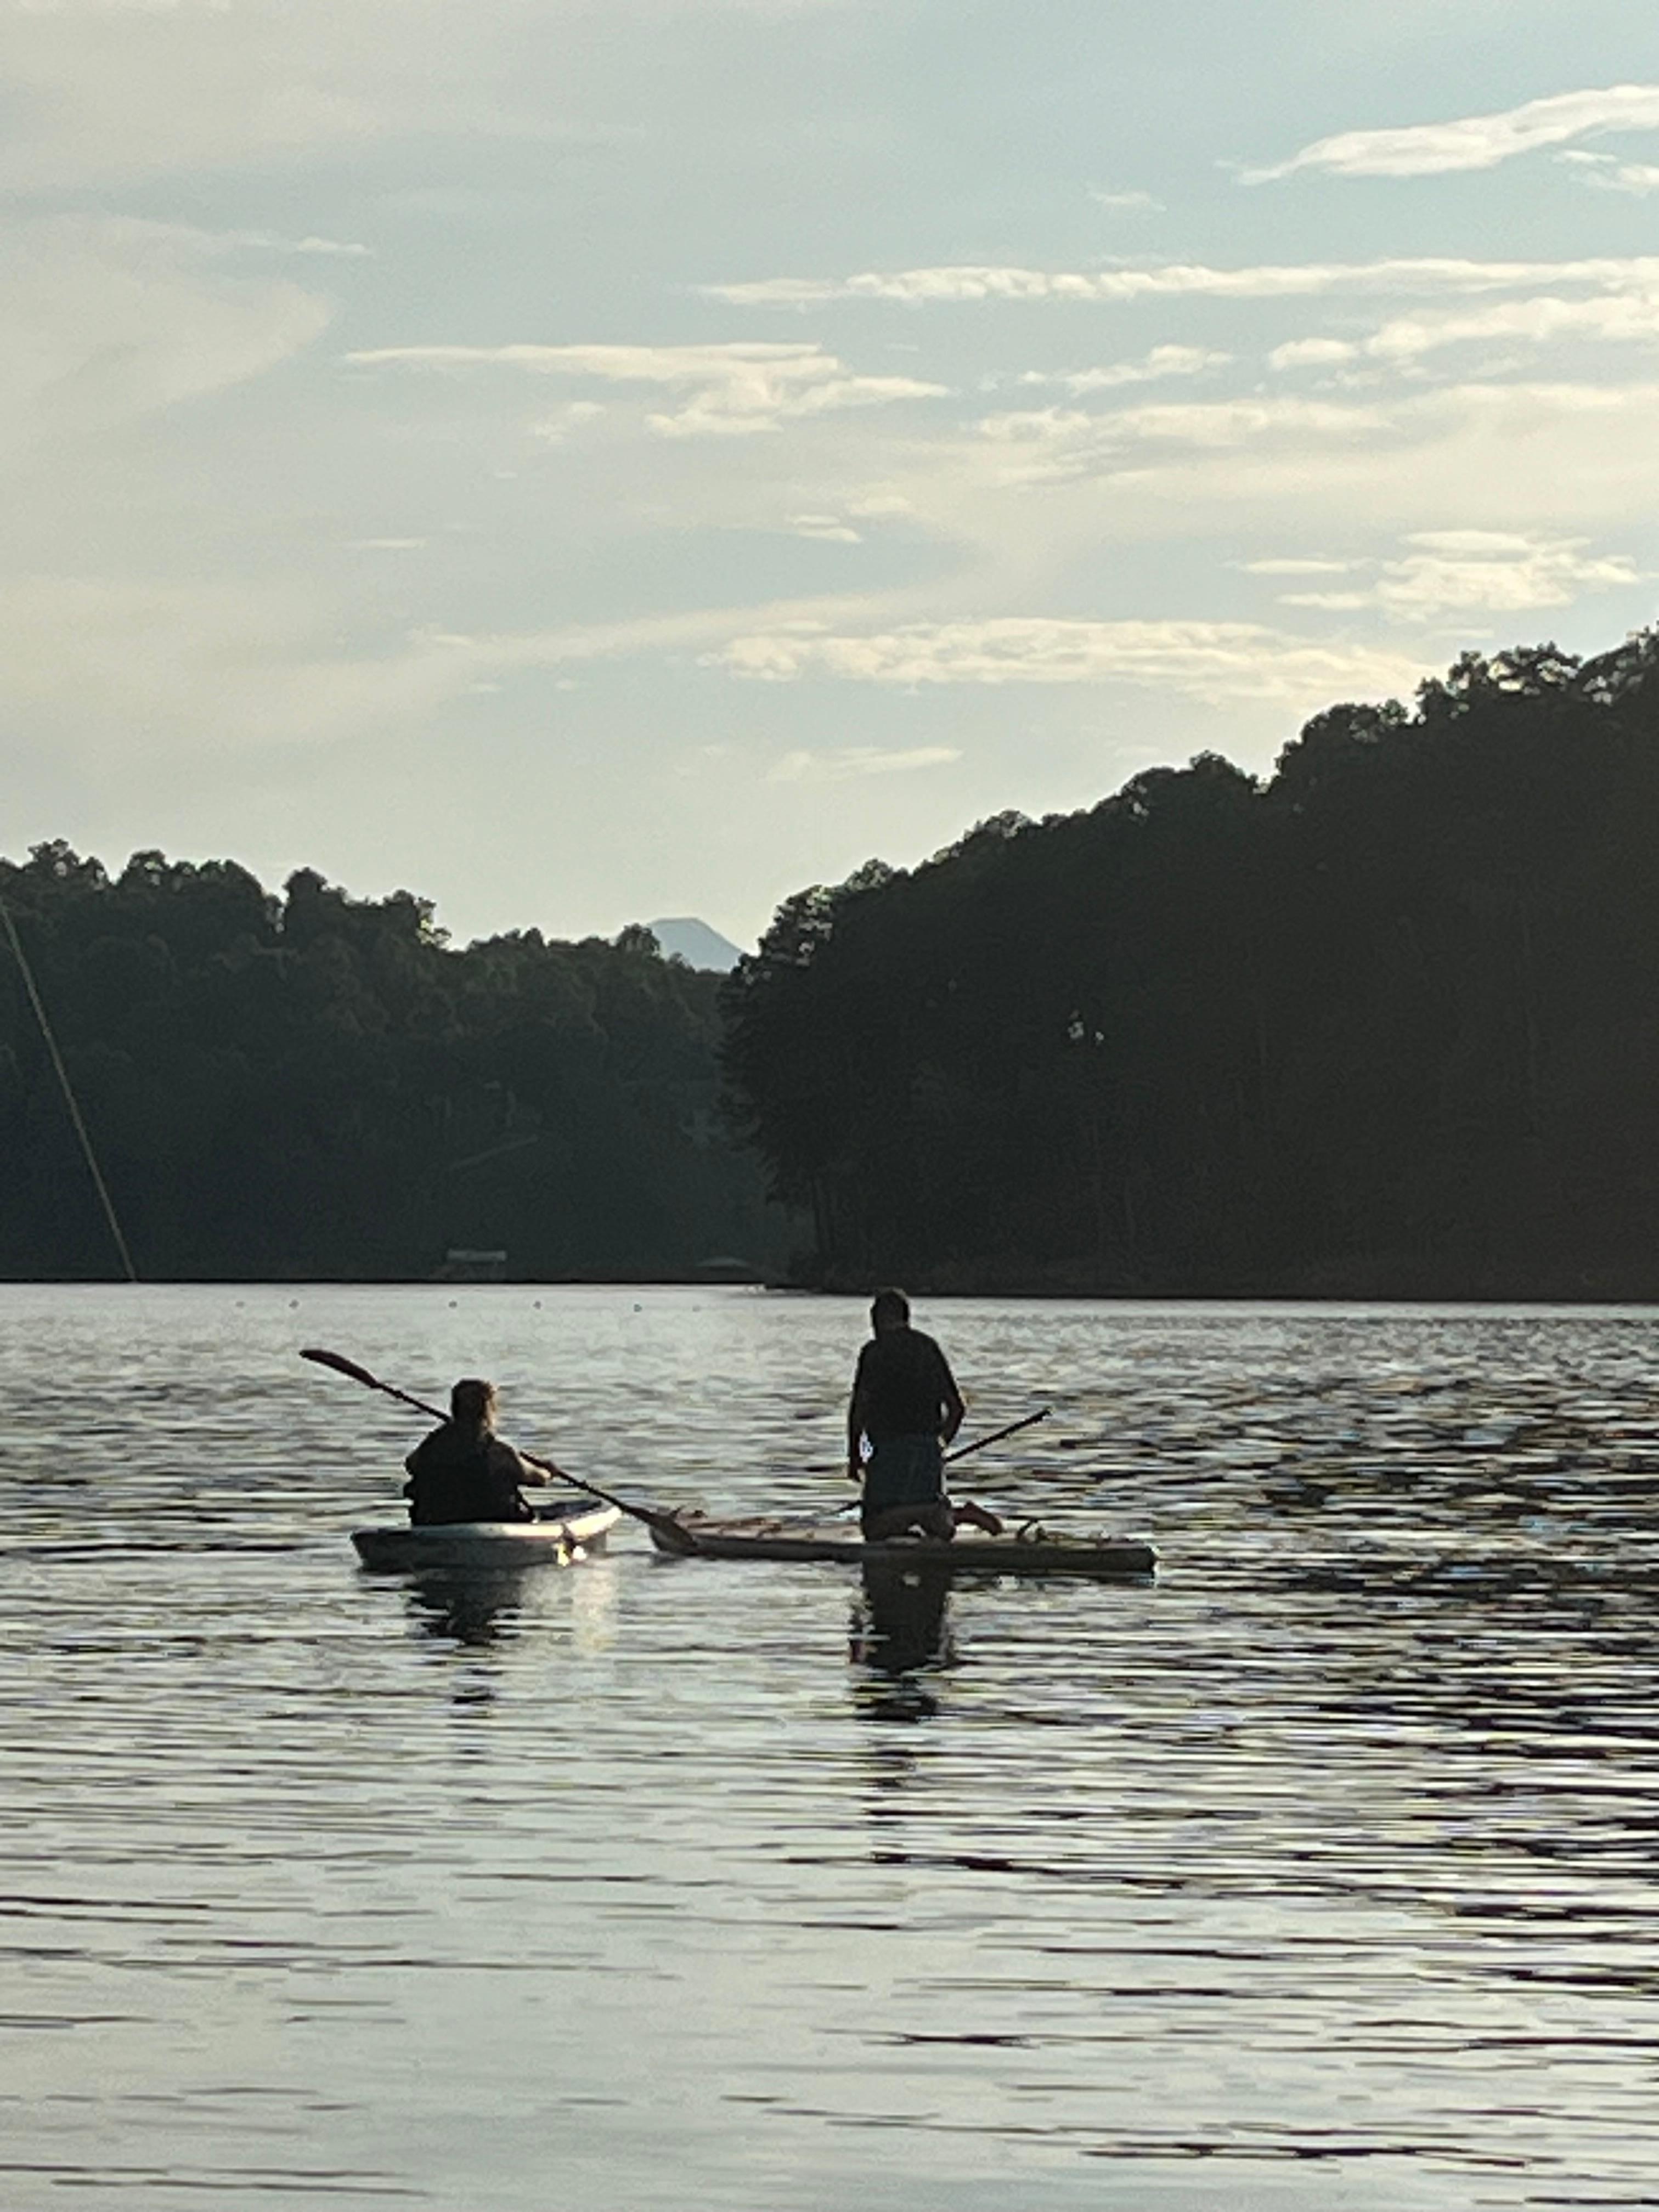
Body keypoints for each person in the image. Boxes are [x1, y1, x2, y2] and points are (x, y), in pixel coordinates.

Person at [847, 1290, 998, 1541]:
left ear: (878, 1318)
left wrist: (854, 1455)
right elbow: (957, 1408)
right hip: (926, 1452)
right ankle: (951, 1515)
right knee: (935, 1527)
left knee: (873, 1529)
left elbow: (859, 1409)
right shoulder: (928, 1348)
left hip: (888, 1453)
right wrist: (939, 1446)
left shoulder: (874, 1352)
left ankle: (937, 1516)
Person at [403, 1378, 564, 1526]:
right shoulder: (500, 1454)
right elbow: (538, 1478)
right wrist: (549, 1471)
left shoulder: (431, 1447)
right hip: (493, 1522)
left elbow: (411, 1465)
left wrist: (445, 1432)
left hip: (434, 1521)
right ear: (489, 1410)